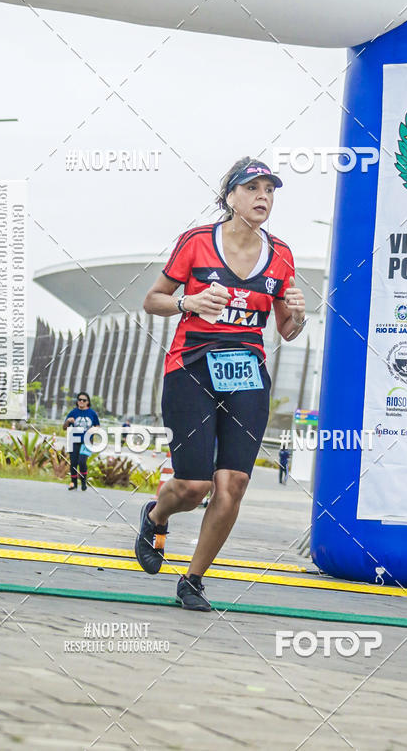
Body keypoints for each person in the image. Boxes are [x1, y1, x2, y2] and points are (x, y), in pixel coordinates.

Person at [135, 157, 307, 611]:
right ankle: (155, 516)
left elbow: (287, 330)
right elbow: (153, 300)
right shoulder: (196, 242)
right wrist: (188, 301)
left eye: (270, 190)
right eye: (253, 188)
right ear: (230, 196)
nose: (263, 197)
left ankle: (193, 580)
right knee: (193, 486)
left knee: (231, 484)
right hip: (191, 367)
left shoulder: (283, 254)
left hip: (247, 373)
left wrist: (299, 313)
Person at [62, 392, 100, 491]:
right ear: (77, 401)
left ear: (88, 402)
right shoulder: (73, 412)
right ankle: (73, 483)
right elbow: (64, 427)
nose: (81, 402)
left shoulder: (92, 413)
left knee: (82, 462)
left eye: (84, 400)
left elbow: (97, 426)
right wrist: (68, 421)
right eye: (79, 400)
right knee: (73, 462)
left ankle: (83, 482)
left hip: (87, 441)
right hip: (74, 440)